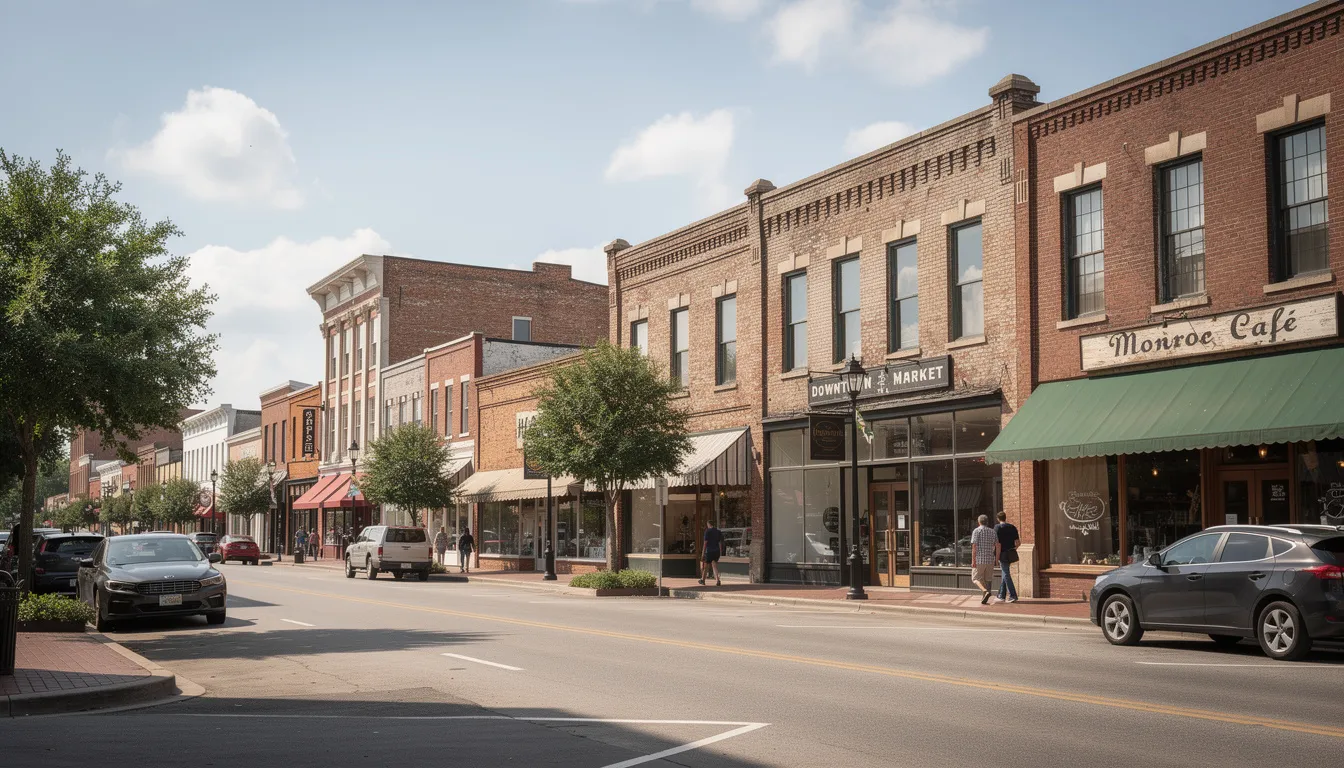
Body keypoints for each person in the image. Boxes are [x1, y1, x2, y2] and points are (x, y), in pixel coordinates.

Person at [969, 514, 998, 605]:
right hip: (990, 559)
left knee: (975, 578)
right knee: (987, 579)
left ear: (979, 522)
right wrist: (996, 558)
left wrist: (973, 560)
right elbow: (996, 544)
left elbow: (974, 546)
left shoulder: (976, 531)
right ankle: (985, 597)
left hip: (980, 559)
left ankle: (985, 591)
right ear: (987, 522)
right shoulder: (992, 531)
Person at [992, 511, 1020, 604]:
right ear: (1005, 517)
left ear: (998, 518)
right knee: (1005, 573)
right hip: (1011, 553)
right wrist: (1013, 549)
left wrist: (996, 556)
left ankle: (1013, 595)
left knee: (1006, 574)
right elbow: (1018, 543)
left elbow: (996, 543)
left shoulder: (997, 527)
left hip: (1002, 553)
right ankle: (1001, 596)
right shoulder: (1012, 527)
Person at [699, 518, 723, 586]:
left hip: (709, 551)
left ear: (708, 524)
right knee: (714, 565)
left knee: (706, 566)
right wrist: (720, 551)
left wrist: (703, 553)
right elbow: (719, 542)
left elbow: (705, 543)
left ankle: (703, 580)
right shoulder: (718, 531)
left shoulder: (707, 531)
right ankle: (718, 580)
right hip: (716, 551)